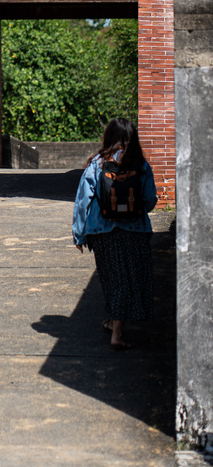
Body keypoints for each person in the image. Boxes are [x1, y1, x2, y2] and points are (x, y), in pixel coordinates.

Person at [72, 117, 157, 351]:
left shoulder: (97, 164)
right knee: (130, 279)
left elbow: (83, 202)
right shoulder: (140, 165)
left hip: (102, 231)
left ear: (108, 137)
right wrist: (134, 211)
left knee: (112, 279)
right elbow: (150, 200)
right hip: (134, 230)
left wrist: (79, 235)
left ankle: (115, 329)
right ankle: (115, 327)